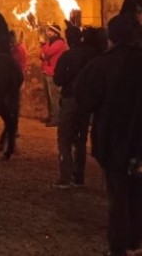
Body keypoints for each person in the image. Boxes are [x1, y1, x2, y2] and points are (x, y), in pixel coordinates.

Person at [75, 14, 142, 256]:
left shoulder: (103, 64)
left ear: (111, 37)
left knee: (119, 195)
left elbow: (84, 98)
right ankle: (134, 244)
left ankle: (119, 247)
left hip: (115, 143)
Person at [52, 24, 94, 188]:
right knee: (80, 139)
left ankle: (65, 177)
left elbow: (58, 80)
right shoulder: (89, 56)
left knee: (64, 138)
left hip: (70, 100)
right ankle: (78, 176)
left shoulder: (67, 57)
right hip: (85, 102)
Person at [39, 23, 67, 127]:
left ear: (55, 33)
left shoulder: (59, 43)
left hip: (52, 73)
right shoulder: (50, 42)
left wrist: (43, 44)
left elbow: (47, 53)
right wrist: (44, 51)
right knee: (48, 97)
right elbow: (41, 55)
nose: (48, 33)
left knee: (54, 97)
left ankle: (56, 118)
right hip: (46, 71)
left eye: (50, 31)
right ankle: (50, 115)